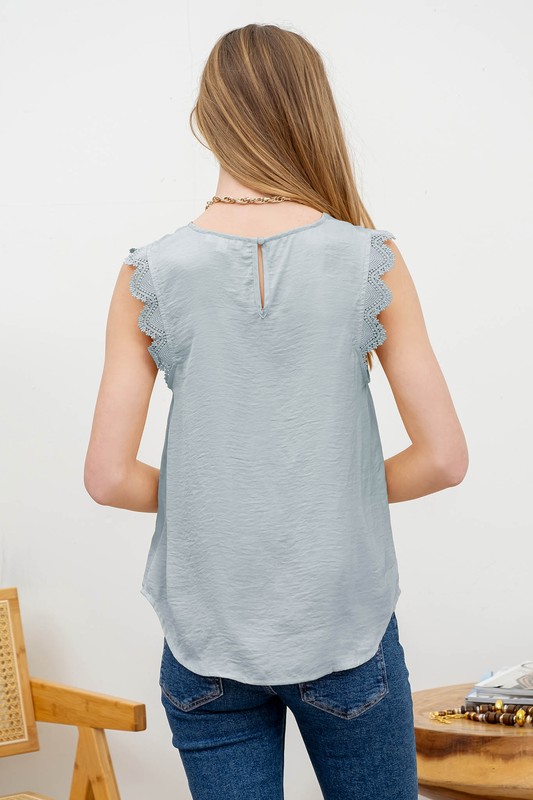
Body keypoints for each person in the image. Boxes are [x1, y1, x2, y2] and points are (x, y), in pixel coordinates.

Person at [84, 22, 468, 800]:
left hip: (205, 640)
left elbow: (108, 477)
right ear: (311, 111)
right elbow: (442, 459)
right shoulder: (370, 260)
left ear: (206, 117)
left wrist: (225, 495)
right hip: (343, 626)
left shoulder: (149, 272)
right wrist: (318, 493)